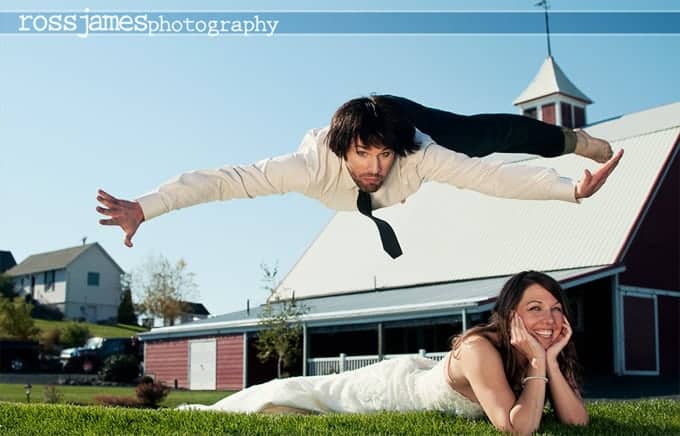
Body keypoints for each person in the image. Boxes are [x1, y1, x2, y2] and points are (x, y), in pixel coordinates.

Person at [96, 95, 622, 256]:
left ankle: (573, 140)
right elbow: (226, 180)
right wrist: (146, 206)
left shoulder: (417, 152)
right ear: (342, 148)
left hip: (397, 114)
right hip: (360, 121)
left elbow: (489, 178)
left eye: (384, 157)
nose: (376, 168)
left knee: (485, 135)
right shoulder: (307, 167)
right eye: (364, 155)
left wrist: (569, 189)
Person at [176, 271, 587, 435]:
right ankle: (208, 411)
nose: (549, 319)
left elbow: (576, 421)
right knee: (304, 392)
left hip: (422, 373)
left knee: (301, 400)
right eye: (535, 308)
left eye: (555, 309)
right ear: (510, 314)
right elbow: (517, 429)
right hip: (393, 388)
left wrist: (549, 360)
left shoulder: (536, 351)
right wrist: (538, 362)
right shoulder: (480, 348)